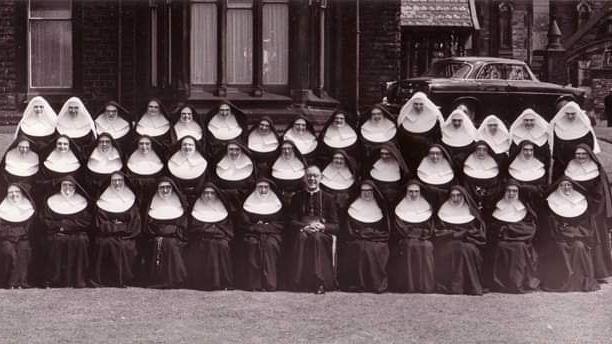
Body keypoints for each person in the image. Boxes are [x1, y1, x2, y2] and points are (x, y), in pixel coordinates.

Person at [539, 177, 599, 292]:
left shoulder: (581, 202)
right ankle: (561, 281)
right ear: (558, 187)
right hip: (558, 237)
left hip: (578, 236)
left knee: (579, 247)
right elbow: (550, 225)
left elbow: (585, 225)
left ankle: (579, 281)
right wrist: (562, 231)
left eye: (569, 185)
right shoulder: (551, 203)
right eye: (563, 185)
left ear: (573, 187)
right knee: (561, 247)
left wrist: (572, 231)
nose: (566, 187)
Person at [286, 166, 340, 293]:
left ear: (321, 178)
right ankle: (299, 282)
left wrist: (322, 227)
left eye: (315, 176)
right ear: (305, 178)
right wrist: (305, 227)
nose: (312, 179)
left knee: (316, 238)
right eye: (309, 176)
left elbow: (336, 226)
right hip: (303, 230)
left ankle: (319, 282)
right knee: (302, 237)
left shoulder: (328, 198)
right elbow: (291, 222)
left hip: (321, 234)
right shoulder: (297, 198)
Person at [564, 144, 612, 281]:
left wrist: (591, 209)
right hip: (575, 209)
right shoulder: (570, 168)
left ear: (589, 155)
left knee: (596, 239)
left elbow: (601, 194)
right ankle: (582, 271)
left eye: (583, 154)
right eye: (578, 154)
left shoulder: (596, 170)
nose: (580, 156)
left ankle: (599, 272)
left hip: (594, 212)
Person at [339, 180, 390, 293]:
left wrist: (370, 235)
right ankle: (356, 284)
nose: (367, 193)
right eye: (364, 191)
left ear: (374, 192)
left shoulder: (381, 207)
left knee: (373, 248)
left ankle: (375, 284)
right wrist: (360, 234)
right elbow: (348, 230)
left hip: (376, 240)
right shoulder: (352, 207)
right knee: (360, 247)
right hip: (356, 238)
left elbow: (385, 231)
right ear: (360, 192)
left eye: (370, 191)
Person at [40, 177, 92, 288]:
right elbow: (46, 220)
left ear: (75, 187)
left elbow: (86, 221)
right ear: (61, 186)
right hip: (57, 233)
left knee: (81, 240)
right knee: (57, 240)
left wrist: (65, 225)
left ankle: (78, 279)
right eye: (65, 185)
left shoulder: (82, 201)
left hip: (77, 233)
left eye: (70, 185)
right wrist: (60, 226)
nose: (67, 188)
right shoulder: (52, 201)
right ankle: (55, 279)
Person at [489, 181, 540, 293]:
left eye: (514, 191)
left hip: (521, 241)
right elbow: (492, 227)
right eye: (509, 190)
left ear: (518, 193)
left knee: (519, 247)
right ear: (504, 192)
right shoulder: (497, 207)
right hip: (502, 241)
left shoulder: (525, 208)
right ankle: (501, 283)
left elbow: (530, 228)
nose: (511, 193)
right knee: (500, 246)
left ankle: (517, 282)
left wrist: (509, 229)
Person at [434, 185, 486, 295]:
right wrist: (455, 234)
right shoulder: (442, 211)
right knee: (458, 248)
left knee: (467, 249)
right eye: (453, 195)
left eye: (458, 195)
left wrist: (467, 235)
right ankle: (455, 287)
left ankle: (469, 286)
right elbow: (438, 232)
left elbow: (479, 233)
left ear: (463, 196)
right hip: (448, 243)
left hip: (469, 242)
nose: (455, 198)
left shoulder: (472, 212)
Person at [92, 172, 141, 287]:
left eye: (120, 180)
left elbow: (134, 223)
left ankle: (122, 279)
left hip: (126, 236)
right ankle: (104, 279)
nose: (117, 183)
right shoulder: (103, 199)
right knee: (104, 243)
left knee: (123, 245)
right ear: (110, 182)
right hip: (106, 236)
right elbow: (99, 223)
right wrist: (118, 226)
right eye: (114, 181)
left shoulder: (131, 199)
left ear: (124, 182)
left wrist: (115, 227)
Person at [237, 179, 285, 291]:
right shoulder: (248, 203)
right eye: (260, 187)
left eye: (266, 187)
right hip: (252, 234)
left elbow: (281, 224)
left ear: (270, 188)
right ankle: (254, 284)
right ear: (256, 188)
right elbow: (244, 223)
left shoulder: (277, 203)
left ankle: (270, 284)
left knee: (270, 245)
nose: (263, 190)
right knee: (252, 244)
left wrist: (262, 227)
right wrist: (259, 227)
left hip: (272, 235)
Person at [184, 183, 234, 291]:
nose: (209, 196)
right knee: (204, 245)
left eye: (211, 193)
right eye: (206, 193)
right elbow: (194, 228)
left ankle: (223, 282)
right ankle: (202, 283)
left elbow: (227, 228)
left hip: (219, 239)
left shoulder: (223, 208)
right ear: (202, 194)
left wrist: (211, 231)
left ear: (216, 194)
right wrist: (212, 229)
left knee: (222, 245)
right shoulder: (196, 207)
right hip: (201, 239)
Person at [388, 180, 435, 293]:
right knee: (408, 245)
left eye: (416, 192)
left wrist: (420, 235)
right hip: (405, 238)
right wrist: (411, 235)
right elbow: (399, 227)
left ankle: (424, 286)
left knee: (426, 247)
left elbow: (430, 228)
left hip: (423, 238)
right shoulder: (399, 207)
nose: (413, 194)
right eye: (411, 192)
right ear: (406, 192)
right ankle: (408, 286)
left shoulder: (427, 207)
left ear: (420, 192)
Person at [143, 178, 188, 288]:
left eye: (168, 187)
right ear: (157, 189)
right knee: (159, 243)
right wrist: (160, 233)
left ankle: (175, 279)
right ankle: (156, 279)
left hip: (175, 238)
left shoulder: (180, 204)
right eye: (162, 188)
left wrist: (168, 231)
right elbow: (147, 225)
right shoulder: (152, 203)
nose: (165, 190)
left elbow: (183, 226)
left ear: (172, 189)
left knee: (170, 244)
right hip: (155, 237)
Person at [549, 101, 600, 181]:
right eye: (568, 114)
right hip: (562, 162)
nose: (570, 116)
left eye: (573, 114)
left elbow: (590, 146)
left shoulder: (584, 126)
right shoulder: (557, 126)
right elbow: (555, 147)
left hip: (580, 160)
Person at [0, 183, 35, 289]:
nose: (14, 194)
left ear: (22, 193)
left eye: (16, 192)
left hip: (24, 238)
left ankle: (22, 282)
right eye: (10, 192)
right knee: (8, 252)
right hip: (6, 238)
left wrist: (19, 235)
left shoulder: (28, 207)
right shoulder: (2, 207)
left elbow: (30, 228)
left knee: (24, 250)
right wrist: (13, 236)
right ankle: (9, 282)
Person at [397, 92, 444, 170]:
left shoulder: (434, 119)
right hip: (409, 155)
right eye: (416, 104)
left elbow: (437, 138)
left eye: (421, 104)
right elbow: (401, 139)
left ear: (425, 104)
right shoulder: (404, 118)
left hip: (427, 154)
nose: (418, 106)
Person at [213, 141, 256, 214]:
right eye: (231, 149)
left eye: (237, 149)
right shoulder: (219, 164)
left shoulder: (249, 166)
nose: (234, 152)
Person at [461, 141, 503, 215]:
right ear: (475, 150)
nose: (481, 152)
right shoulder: (467, 164)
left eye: (484, 150)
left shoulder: (494, 165)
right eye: (479, 149)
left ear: (488, 151)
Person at [167, 136, 208, 204]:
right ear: (180, 146)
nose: (187, 147)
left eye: (190, 145)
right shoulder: (172, 161)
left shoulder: (202, 162)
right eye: (184, 144)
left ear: (195, 147)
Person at [507, 140, 548, 210]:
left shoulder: (539, 166)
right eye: (525, 150)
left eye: (531, 150)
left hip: (535, 202)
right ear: (520, 150)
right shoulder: (513, 167)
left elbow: (542, 189)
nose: (528, 153)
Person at [55, 97, 98, 161]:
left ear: (80, 109)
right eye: (70, 108)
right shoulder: (59, 124)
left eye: (76, 108)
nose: (73, 110)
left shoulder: (87, 125)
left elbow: (90, 146)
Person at [126, 135, 166, 201]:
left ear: (151, 145)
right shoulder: (130, 160)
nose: (144, 146)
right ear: (137, 145)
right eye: (141, 144)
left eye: (147, 144)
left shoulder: (159, 159)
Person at [85, 133, 124, 198]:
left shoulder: (117, 158)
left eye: (107, 142)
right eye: (101, 142)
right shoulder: (92, 158)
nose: (104, 144)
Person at [270, 140, 306, 207]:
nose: (286, 151)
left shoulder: (301, 164)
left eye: (289, 148)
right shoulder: (274, 164)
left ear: (293, 149)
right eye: (284, 149)